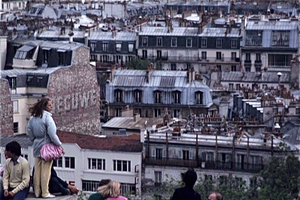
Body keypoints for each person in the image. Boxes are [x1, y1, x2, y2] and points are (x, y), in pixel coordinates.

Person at [27, 98, 64, 198]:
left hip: (36, 145)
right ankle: (45, 192)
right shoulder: (47, 118)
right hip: (46, 146)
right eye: (49, 105)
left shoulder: (33, 118)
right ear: (44, 106)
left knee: (37, 170)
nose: (51, 107)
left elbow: (29, 130)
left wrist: (33, 139)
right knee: (45, 171)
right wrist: (59, 145)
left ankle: (37, 191)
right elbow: (52, 134)